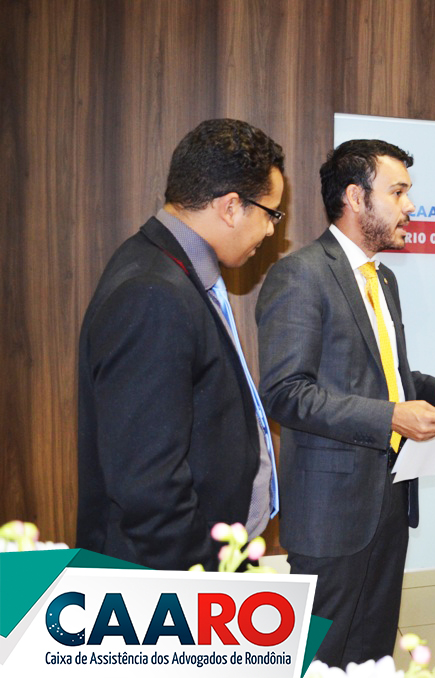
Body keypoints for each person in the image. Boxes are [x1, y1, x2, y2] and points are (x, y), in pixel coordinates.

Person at [255, 139, 435, 668]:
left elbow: (387, 376)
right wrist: (393, 417)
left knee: (372, 654)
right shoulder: (301, 273)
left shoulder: (383, 278)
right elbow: (286, 393)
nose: (410, 206)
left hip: (390, 499)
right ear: (356, 198)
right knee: (319, 658)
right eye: (398, 192)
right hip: (331, 511)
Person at [77, 118, 285, 571]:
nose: (272, 231)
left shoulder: (169, 268)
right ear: (231, 207)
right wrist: (199, 579)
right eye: (271, 214)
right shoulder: (153, 293)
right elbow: (148, 487)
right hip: (175, 575)